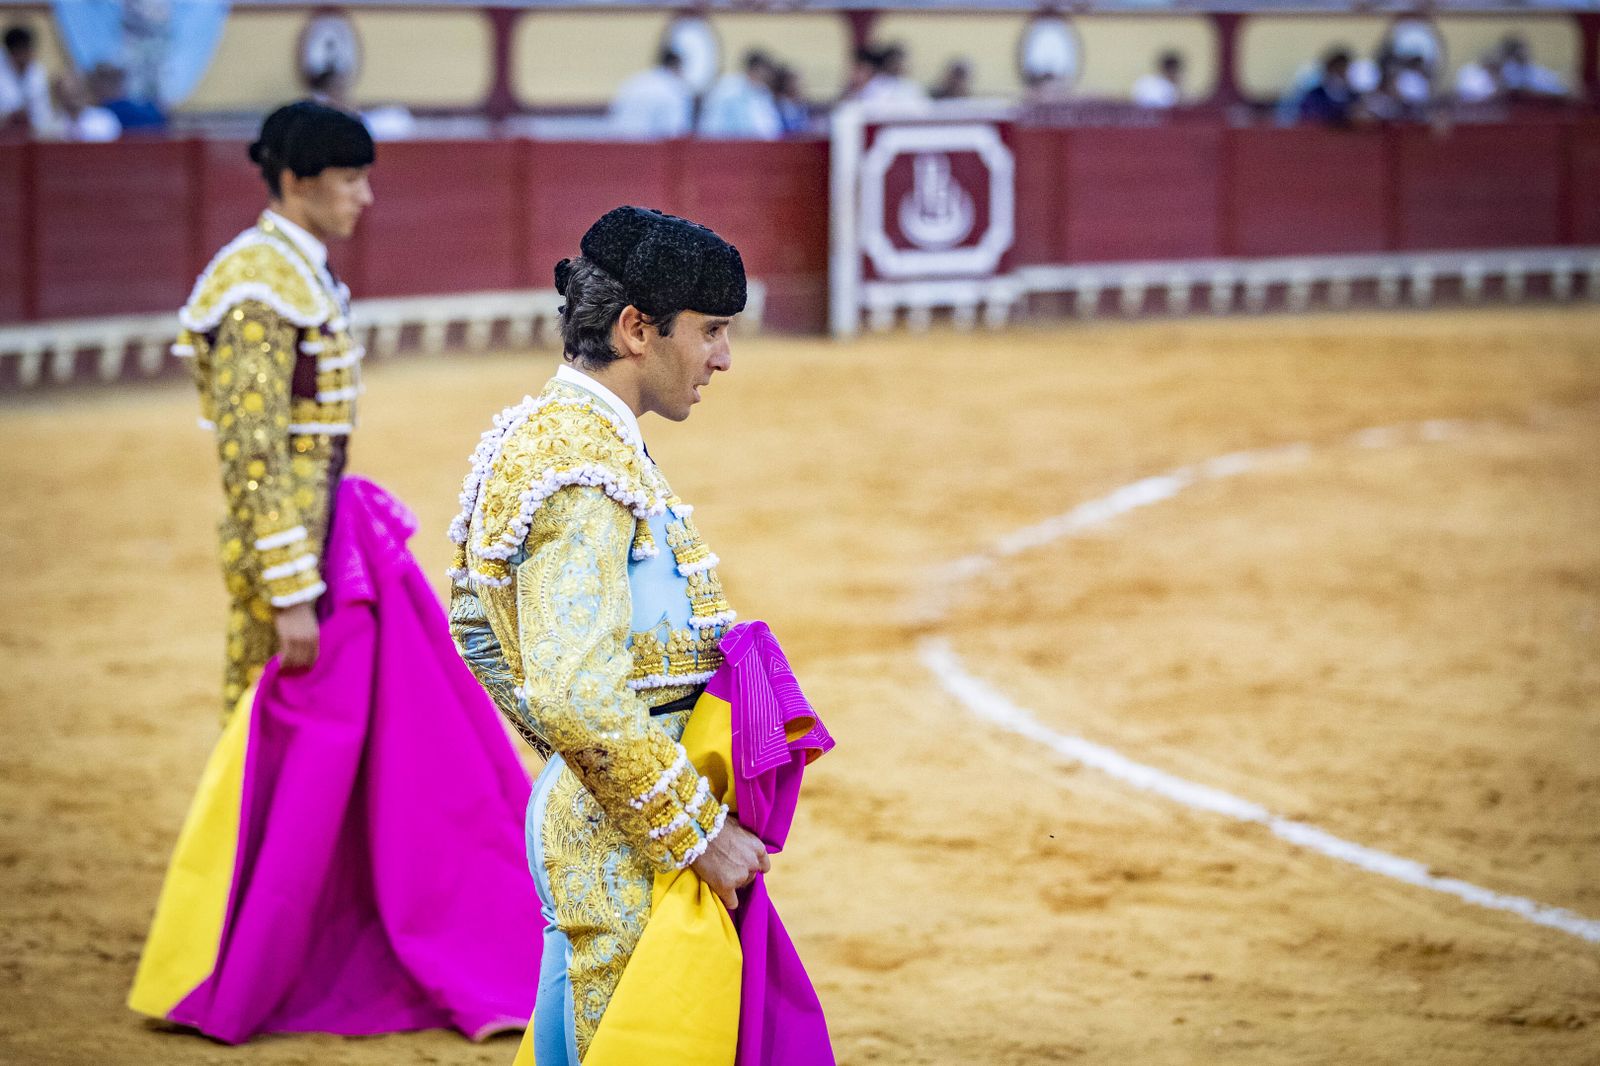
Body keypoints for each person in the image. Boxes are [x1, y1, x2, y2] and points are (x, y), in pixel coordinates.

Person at [128, 100, 539, 1045]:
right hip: (290, 548)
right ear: (298, 182)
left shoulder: (291, 273)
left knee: (314, 743)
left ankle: (285, 932)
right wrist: (290, 587)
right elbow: (254, 454)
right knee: (263, 732)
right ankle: (232, 949)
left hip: (322, 536)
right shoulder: (258, 287)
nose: (365, 196)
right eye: (350, 179)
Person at [448, 206, 781, 1063]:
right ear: (638, 329)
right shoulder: (585, 466)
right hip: (625, 843)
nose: (723, 357)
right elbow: (570, 689)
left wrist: (573, 764)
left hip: (602, 816)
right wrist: (692, 830)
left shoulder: (545, 437)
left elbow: (478, 631)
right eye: (710, 330)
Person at [610, 47, 693, 140]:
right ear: (676, 66)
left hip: (621, 144)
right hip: (652, 148)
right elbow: (676, 131)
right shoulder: (674, 89)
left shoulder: (634, 81)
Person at [699, 48, 781, 139]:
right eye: (765, 71)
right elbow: (712, 123)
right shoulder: (728, 88)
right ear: (755, 69)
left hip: (757, 148)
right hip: (728, 145)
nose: (768, 75)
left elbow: (769, 127)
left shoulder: (763, 92)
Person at [0, 24, 52, 134]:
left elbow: (43, 113)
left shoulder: (37, 71)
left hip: (30, 133)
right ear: (14, 52)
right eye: (26, 50)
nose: (30, 54)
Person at [1298, 48, 1362, 127]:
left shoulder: (1354, 97)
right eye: (1337, 70)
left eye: (1343, 70)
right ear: (1328, 71)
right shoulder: (1315, 95)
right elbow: (1309, 118)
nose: (1340, 75)